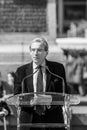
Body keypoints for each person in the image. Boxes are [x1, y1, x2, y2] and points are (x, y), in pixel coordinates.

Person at [14, 37, 69, 130]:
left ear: (46, 52)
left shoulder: (57, 69)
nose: (35, 53)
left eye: (39, 50)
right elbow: (16, 96)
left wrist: (49, 99)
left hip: (53, 119)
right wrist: (32, 101)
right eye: (33, 50)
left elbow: (64, 94)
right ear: (30, 52)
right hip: (29, 120)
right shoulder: (21, 71)